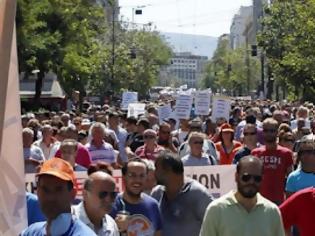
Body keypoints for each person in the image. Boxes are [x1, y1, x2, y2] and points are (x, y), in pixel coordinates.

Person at [200, 155, 285, 236]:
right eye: (246, 177)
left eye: (257, 178)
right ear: (236, 177)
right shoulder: (216, 210)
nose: (251, 182)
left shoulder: (272, 212)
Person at [21, 158, 96, 235]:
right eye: (45, 189)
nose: (51, 197)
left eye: (58, 189)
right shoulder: (30, 232)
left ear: (73, 194)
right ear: (38, 192)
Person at [151, 151, 213, 236]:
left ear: (169, 170)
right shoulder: (156, 193)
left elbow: (216, 225)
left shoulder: (198, 194)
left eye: (157, 168)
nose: (154, 173)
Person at [110, 158, 162, 236]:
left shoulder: (153, 205)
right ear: (124, 177)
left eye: (142, 176)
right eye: (132, 175)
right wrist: (116, 230)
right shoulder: (111, 206)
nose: (137, 180)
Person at [252, 118, 294, 205]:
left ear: (277, 132)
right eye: (266, 130)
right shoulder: (255, 153)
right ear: (263, 132)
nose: (269, 133)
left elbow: (291, 179)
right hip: (259, 201)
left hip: (279, 201)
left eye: (272, 131)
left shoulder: (286, 153)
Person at [72, 171, 119, 235]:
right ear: (85, 194)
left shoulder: (111, 224)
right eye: (103, 194)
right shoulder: (68, 219)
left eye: (113, 195)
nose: (108, 199)